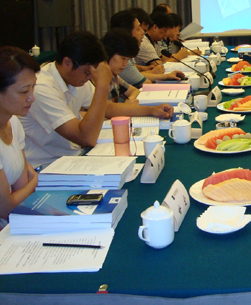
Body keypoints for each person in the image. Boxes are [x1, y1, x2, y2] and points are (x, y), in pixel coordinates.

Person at [20, 31, 174, 169]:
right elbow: (86, 138)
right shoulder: (42, 88)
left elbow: (107, 107)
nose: (89, 77)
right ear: (67, 62)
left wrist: (151, 110)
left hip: (71, 158)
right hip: (47, 167)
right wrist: (102, 85)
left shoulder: (74, 78)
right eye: (86, 72)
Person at [0, 47, 39, 224]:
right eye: (24, 91)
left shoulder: (13, 122)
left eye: (33, 88)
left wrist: (29, 185)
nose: (32, 98)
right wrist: (36, 180)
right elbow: (6, 209)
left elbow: (22, 188)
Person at [110, 9, 185, 85]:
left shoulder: (125, 52)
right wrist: (179, 56)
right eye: (139, 29)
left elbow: (134, 71)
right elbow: (144, 81)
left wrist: (146, 69)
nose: (143, 33)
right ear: (127, 32)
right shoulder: (120, 54)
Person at [101, 28, 141, 103]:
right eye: (123, 58)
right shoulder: (96, 79)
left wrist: (130, 99)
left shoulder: (114, 76)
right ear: (108, 54)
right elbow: (107, 108)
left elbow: (134, 91)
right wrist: (125, 106)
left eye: (128, 59)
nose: (125, 64)